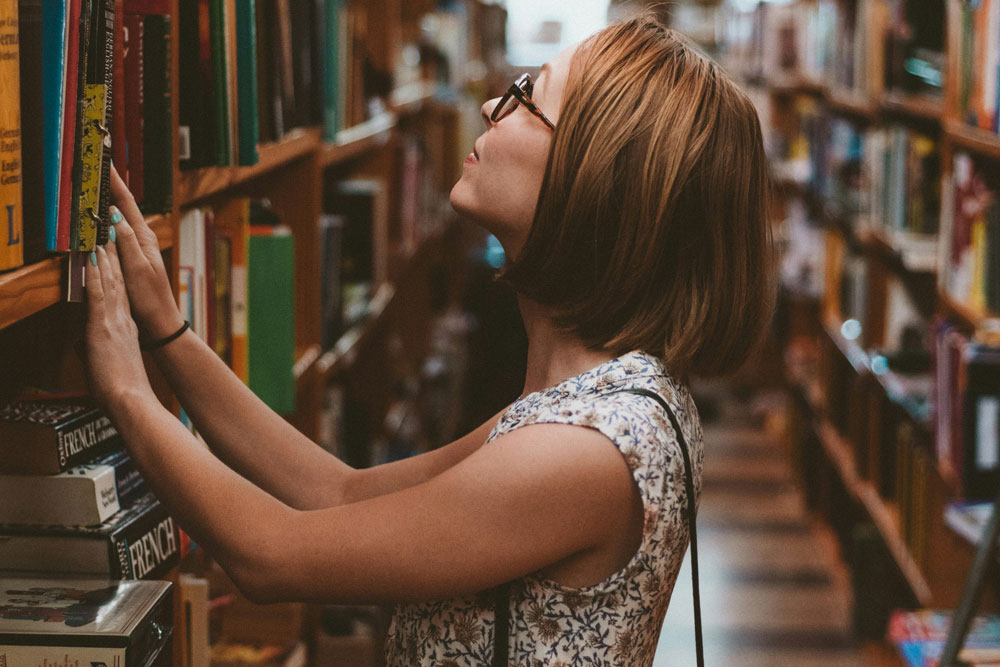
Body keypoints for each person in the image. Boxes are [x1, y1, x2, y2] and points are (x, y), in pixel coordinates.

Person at [83, 15, 773, 666]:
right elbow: (338, 493)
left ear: (595, 180)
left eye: (526, 96)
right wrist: (169, 335)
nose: (490, 108)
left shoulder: (585, 447)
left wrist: (126, 390)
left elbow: (268, 555)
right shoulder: (590, 403)